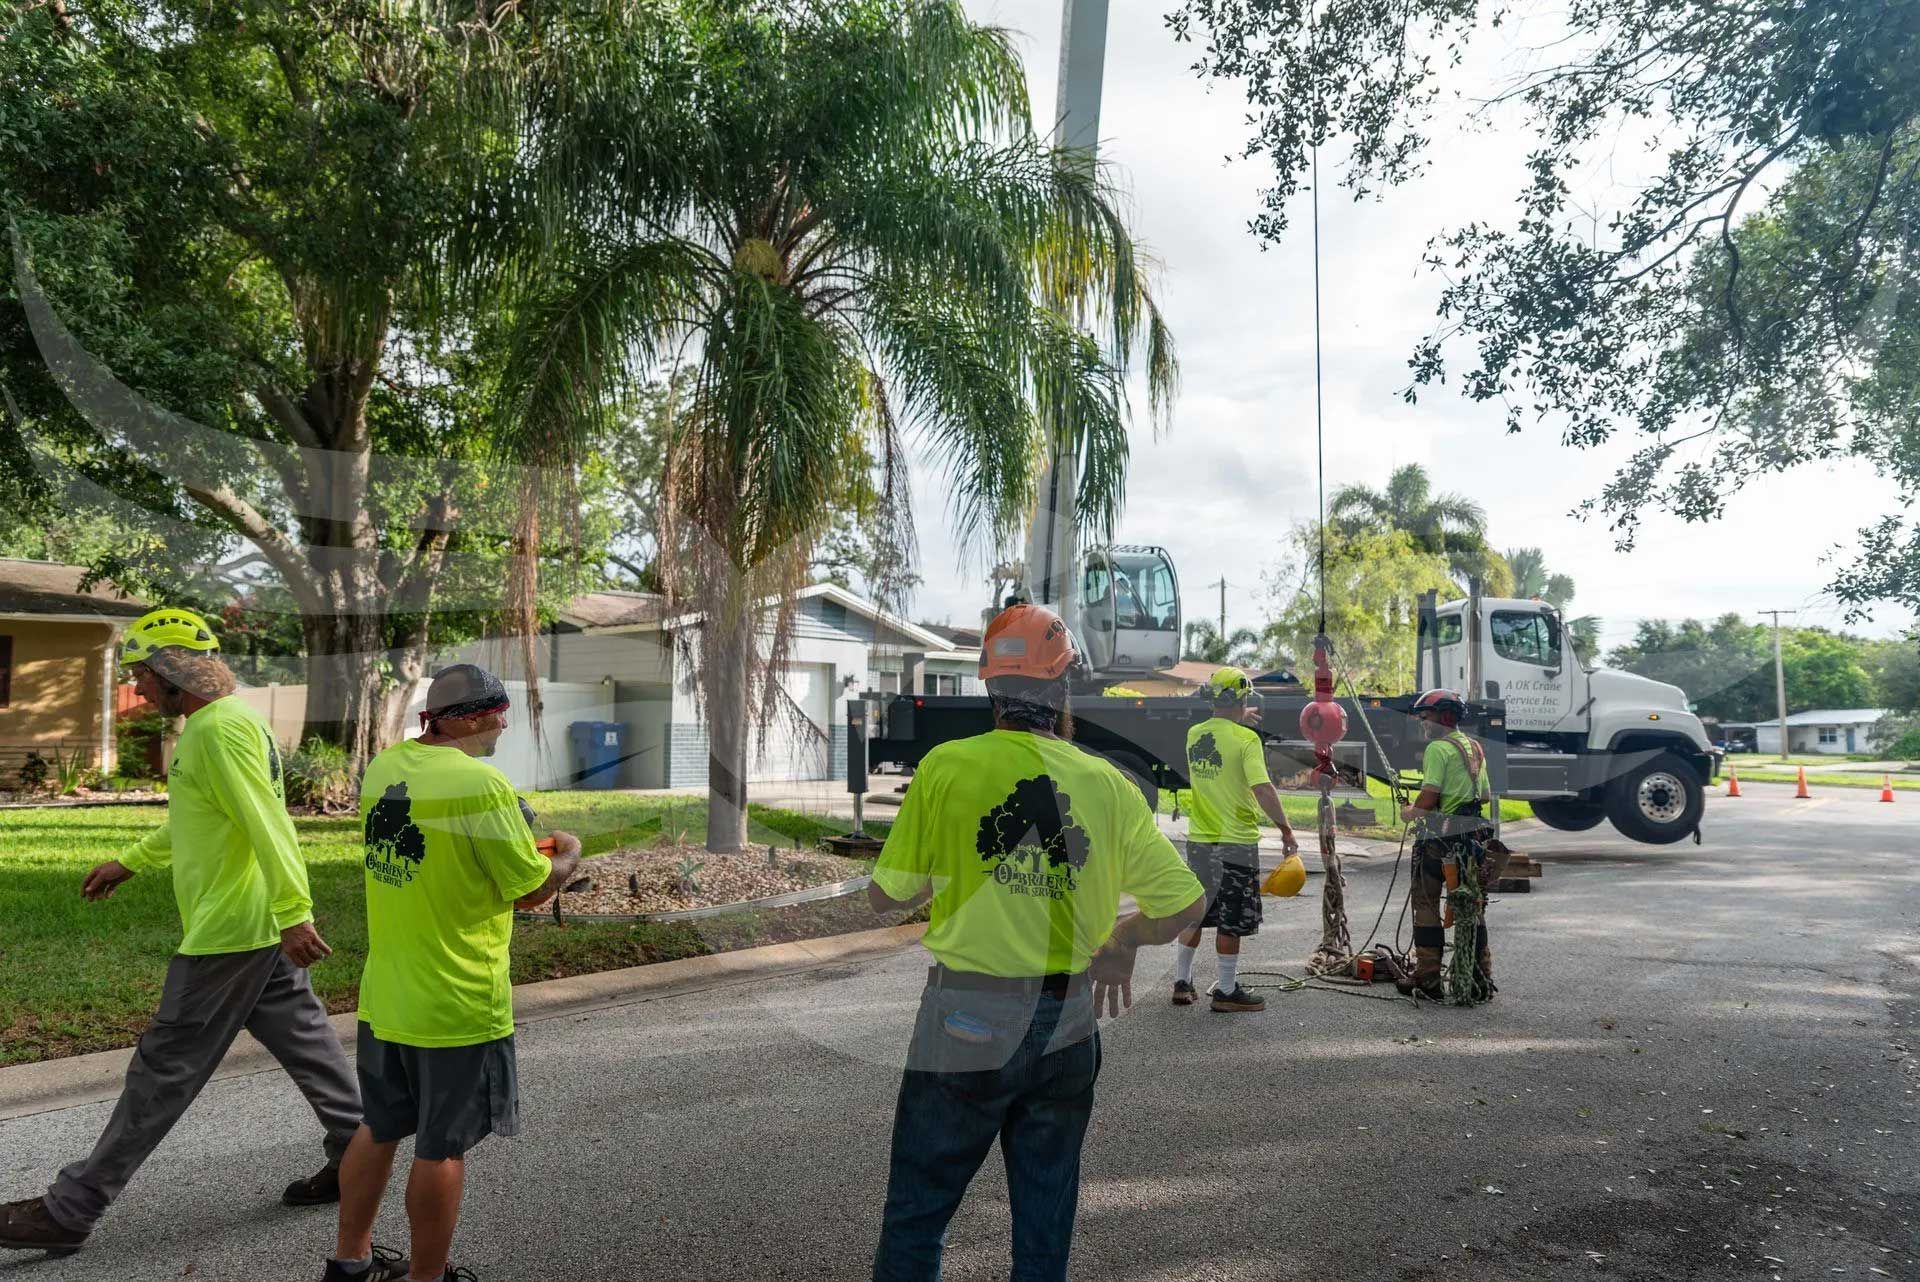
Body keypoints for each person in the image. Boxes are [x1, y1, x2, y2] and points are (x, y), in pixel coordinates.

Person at [0, 608, 361, 1255]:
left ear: (172, 670)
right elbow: (206, 817)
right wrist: (131, 860)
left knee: (162, 1070)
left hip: (231, 933)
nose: (137, 688)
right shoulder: (227, 723)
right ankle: (357, 1147)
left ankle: (70, 1208)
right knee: (307, 1040)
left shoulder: (215, 732)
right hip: (252, 929)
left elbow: (266, 824)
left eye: (142, 674)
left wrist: (294, 912)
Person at [868, 604, 1206, 1282]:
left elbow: (887, 896)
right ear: (1062, 691)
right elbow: (1187, 903)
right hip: (1068, 1022)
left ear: (991, 689)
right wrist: (1125, 940)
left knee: (918, 1213)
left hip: (964, 1017)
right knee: (1044, 1227)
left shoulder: (945, 768)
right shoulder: (1109, 785)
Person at [324, 664, 581, 1282]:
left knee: (378, 1126)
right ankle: (427, 1278)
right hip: (457, 1001)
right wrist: (566, 855)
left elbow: (445, 849)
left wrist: (512, 836)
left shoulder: (385, 766)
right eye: (497, 710)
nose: (504, 721)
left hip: (387, 994)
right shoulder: (479, 785)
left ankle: (349, 1262)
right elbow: (527, 890)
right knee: (441, 1146)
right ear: (467, 718)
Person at [1172, 667, 1299, 1012]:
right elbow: (1262, 788)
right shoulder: (1247, 740)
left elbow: (1221, 735)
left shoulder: (1194, 735)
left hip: (1200, 840)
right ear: (1241, 699)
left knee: (1196, 913)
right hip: (1236, 844)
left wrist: (1239, 718)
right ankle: (1226, 991)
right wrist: (1286, 829)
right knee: (1231, 917)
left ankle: (1182, 983)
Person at [1399, 688, 1503, 1001]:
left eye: (1426, 717)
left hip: (1439, 839)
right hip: (1473, 838)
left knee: (1427, 903)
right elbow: (1483, 795)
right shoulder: (1475, 748)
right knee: (1471, 904)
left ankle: (1428, 977)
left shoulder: (1437, 749)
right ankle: (1480, 975)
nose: (1422, 723)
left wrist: (1409, 812)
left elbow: (1428, 797)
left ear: (1444, 717)